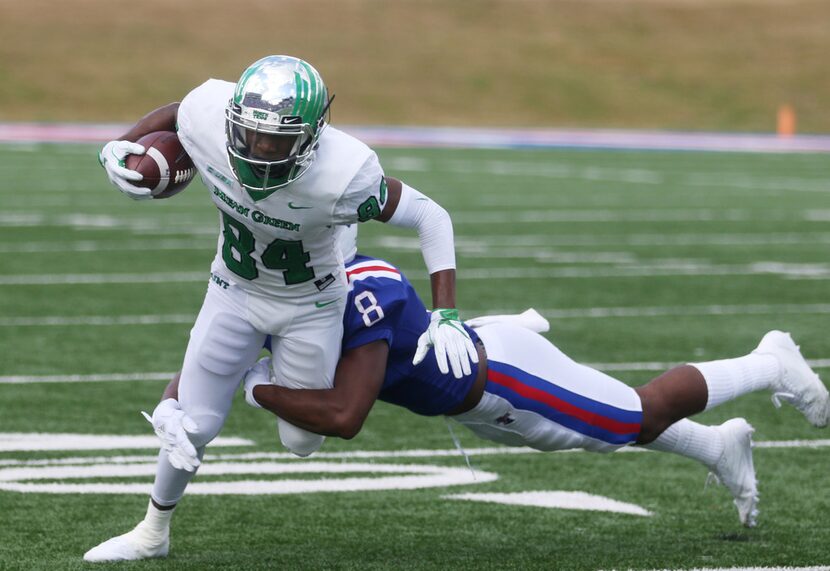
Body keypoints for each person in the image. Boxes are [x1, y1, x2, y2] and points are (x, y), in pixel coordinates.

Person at [84, 244, 829, 562]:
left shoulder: (362, 294)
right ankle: (718, 444)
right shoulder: (279, 291)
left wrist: (253, 387)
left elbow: (344, 418)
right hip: (474, 397)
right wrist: (177, 402)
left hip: (502, 373)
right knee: (591, 435)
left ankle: (769, 359)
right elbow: (205, 362)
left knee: (630, 414)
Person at [88, 55, 477, 559]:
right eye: (250, 135)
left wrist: (445, 311)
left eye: (278, 139)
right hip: (232, 289)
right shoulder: (209, 114)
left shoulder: (345, 173)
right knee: (192, 424)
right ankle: (152, 532)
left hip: (311, 307)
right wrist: (123, 143)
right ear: (232, 120)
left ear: (313, 135)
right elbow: (180, 110)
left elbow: (430, 215)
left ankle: (255, 378)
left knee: (300, 441)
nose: (262, 149)